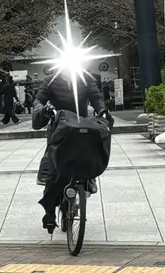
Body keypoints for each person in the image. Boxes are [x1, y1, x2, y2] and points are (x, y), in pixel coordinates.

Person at [32, 69, 108, 233]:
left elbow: (96, 97)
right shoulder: (51, 80)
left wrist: (101, 110)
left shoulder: (85, 79)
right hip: (58, 128)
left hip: (80, 126)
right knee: (53, 168)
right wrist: (42, 109)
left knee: (90, 151)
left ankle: (90, 179)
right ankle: (50, 213)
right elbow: (38, 99)